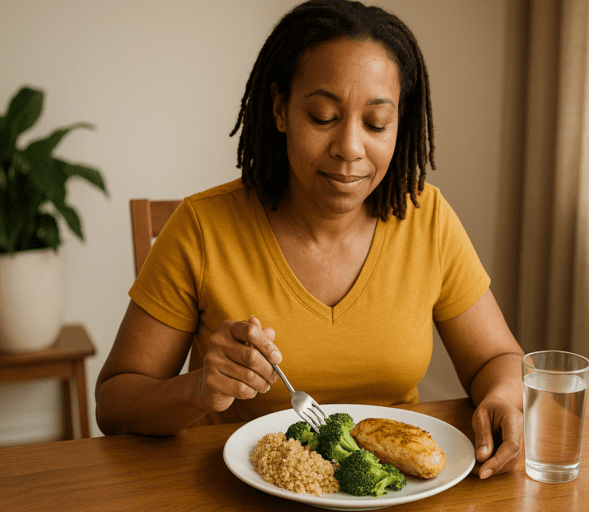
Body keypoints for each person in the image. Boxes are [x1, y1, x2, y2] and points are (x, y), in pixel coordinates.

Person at [96, 0, 524, 480]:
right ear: (280, 109)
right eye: (323, 117)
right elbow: (114, 404)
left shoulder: (427, 219)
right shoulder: (201, 227)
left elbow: (496, 358)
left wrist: (504, 397)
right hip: (242, 491)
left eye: (376, 123)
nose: (350, 148)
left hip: (395, 494)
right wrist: (198, 390)